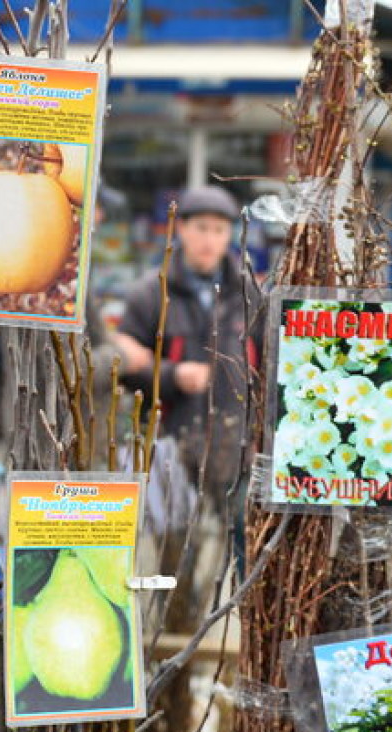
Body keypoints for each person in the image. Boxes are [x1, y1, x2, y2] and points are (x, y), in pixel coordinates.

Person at [113, 185, 259, 508]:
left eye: (219, 230)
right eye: (201, 228)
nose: (210, 240)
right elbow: (122, 366)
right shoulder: (150, 294)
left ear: (229, 235)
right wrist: (172, 374)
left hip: (237, 451)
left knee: (235, 549)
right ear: (181, 229)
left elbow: (267, 365)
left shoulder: (249, 295)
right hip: (169, 448)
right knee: (176, 551)